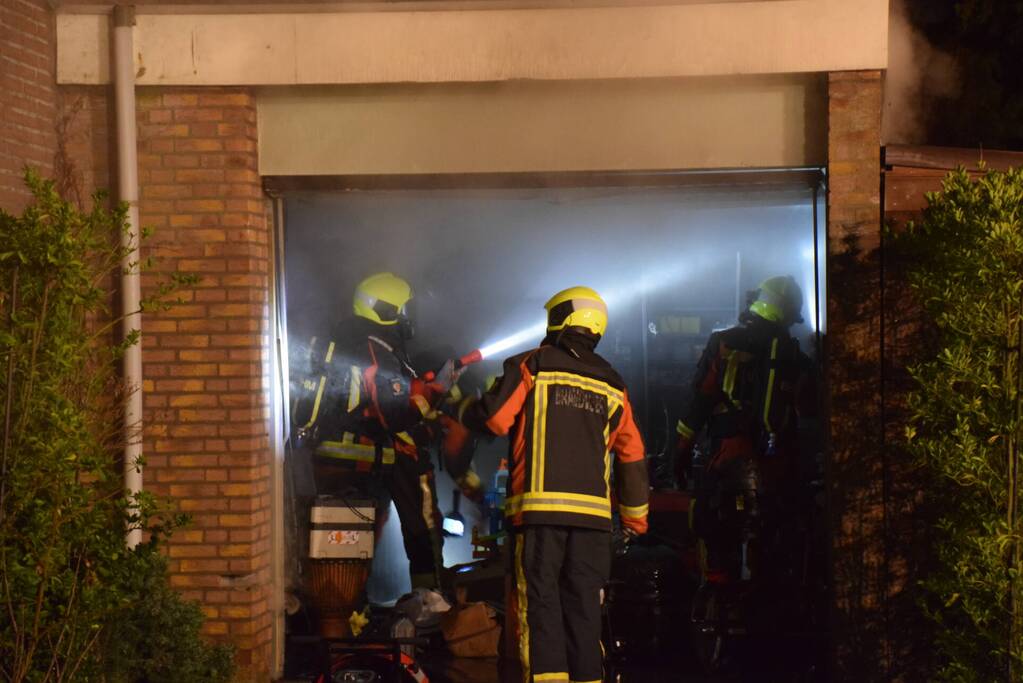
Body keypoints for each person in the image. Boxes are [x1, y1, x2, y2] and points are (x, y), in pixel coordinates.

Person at [457, 286, 649, 683]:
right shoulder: (614, 383)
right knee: (584, 610)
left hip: (540, 517)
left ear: (559, 317)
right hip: (594, 524)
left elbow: (494, 420)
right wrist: (635, 519)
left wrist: (459, 407)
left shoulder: (533, 364)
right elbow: (632, 453)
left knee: (540, 606)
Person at [292, 271, 461, 590]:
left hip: (335, 460)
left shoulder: (345, 341)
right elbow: (397, 415)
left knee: (344, 545)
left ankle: (347, 613)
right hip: (366, 462)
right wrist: (437, 388)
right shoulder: (375, 347)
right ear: (385, 310)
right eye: (403, 309)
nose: (407, 318)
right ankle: (429, 605)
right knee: (420, 538)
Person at [672, 275, 816, 584]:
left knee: (712, 533)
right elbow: (807, 414)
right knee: (769, 548)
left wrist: (681, 450)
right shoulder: (797, 359)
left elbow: (701, 400)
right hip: (777, 466)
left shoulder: (723, 343)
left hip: (727, 459)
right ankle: (764, 611)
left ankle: (718, 608)